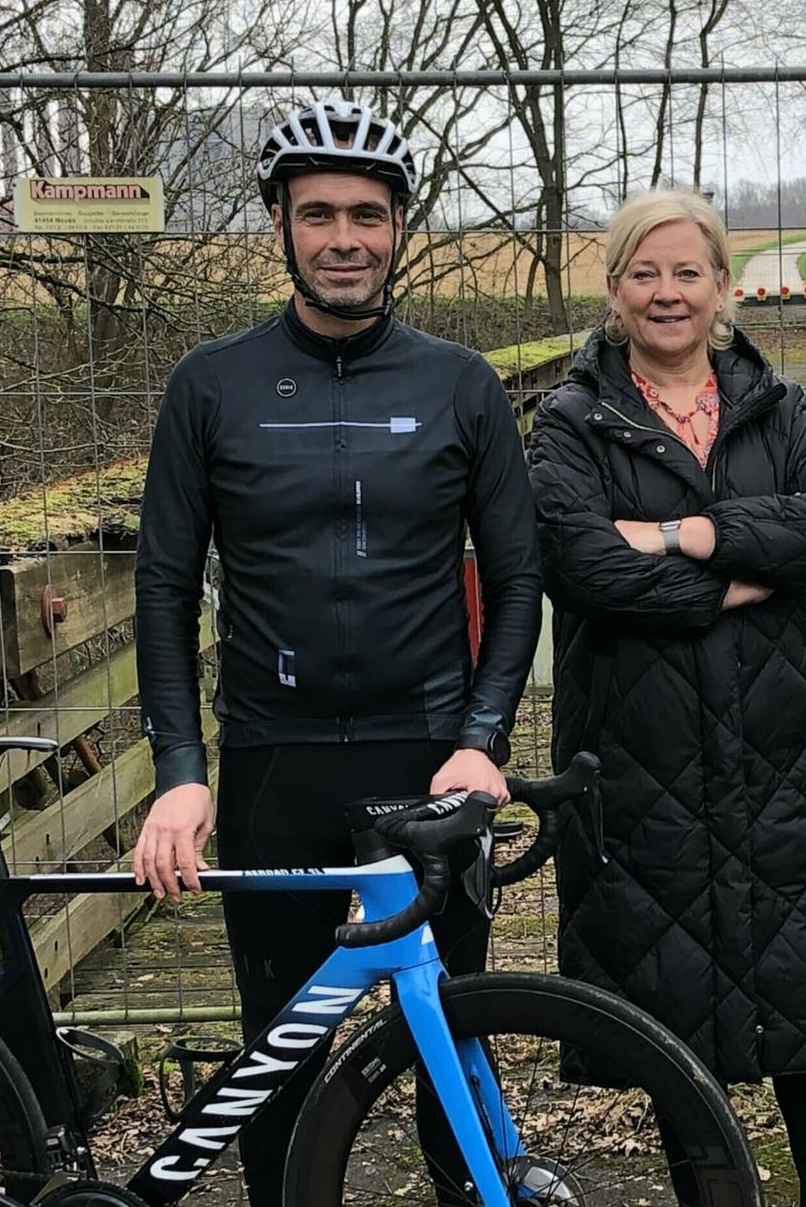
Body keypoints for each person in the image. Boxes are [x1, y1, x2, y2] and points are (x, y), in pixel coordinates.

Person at [130, 98, 540, 1206]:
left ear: (399, 226)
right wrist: (179, 770)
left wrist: (482, 737)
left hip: (428, 762)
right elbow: (164, 586)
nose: (344, 237)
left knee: (453, 1036)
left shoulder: (462, 384)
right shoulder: (208, 385)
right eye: (318, 214)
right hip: (273, 758)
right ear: (278, 223)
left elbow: (516, 580)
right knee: (279, 1058)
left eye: (368, 213)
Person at [529, 189, 806, 1207]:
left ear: (724, 286)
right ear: (614, 288)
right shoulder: (571, 418)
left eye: (688, 272)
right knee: (673, 1023)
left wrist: (680, 533)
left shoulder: (779, 404)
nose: (666, 293)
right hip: (641, 767)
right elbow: (586, 566)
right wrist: (752, 564)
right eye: (645, 272)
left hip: (782, 756)